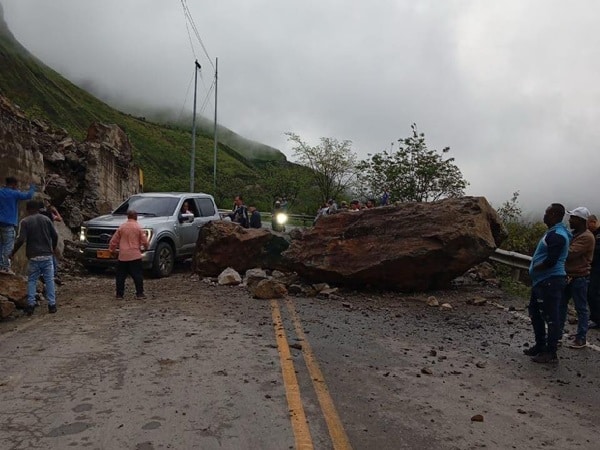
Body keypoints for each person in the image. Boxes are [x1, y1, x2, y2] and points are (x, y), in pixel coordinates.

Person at [525, 203, 570, 363]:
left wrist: (536, 267)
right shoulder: (552, 232)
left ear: (554, 215)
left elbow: (551, 260)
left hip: (550, 282)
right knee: (535, 313)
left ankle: (551, 352)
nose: (544, 215)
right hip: (541, 281)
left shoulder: (557, 235)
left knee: (551, 317)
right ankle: (540, 345)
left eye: (546, 213)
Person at [10, 200, 58, 315]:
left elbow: (20, 239)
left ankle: (30, 305)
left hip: (33, 256)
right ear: (38, 209)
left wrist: (12, 252)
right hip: (47, 255)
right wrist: (53, 248)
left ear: (28, 209)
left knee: (31, 280)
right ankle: (52, 305)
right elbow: (54, 235)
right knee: (49, 280)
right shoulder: (46, 219)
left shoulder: (25, 221)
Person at [558, 207, 594, 348]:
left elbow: (569, 253)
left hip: (579, 277)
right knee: (561, 306)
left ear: (580, 220)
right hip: (568, 276)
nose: (570, 220)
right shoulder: (575, 234)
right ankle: (557, 334)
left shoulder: (586, 237)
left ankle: (581, 337)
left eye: (573, 218)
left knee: (581, 309)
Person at [108, 210, 149, 300]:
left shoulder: (122, 227)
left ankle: (119, 294)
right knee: (137, 275)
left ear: (128, 217)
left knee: (120, 277)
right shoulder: (138, 227)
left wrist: (112, 250)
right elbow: (145, 241)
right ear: (136, 217)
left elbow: (114, 240)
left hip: (123, 256)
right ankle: (139, 293)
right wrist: (145, 248)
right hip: (135, 255)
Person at [0, 177, 36, 275]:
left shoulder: (1, 191)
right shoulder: (14, 194)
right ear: (13, 185)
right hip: (8, 224)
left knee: (1, 245)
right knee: (8, 245)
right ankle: (5, 267)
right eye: (16, 185)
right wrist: (32, 186)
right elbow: (29, 195)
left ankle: (0, 265)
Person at [39, 199, 63, 284]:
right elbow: (60, 219)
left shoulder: (41, 214)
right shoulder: (50, 214)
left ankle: (46, 273)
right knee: (51, 253)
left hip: (42, 235)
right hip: (50, 235)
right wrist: (55, 211)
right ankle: (54, 273)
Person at [588, 213, 600, 329]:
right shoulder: (593, 234)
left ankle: (596, 319)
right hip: (593, 267)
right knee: (591, 293)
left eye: (589, 223)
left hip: (597, 268)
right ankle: (594, 316)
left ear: (593, 222)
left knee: (593, 293)